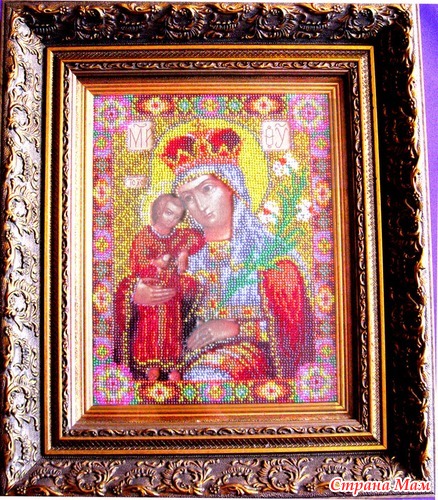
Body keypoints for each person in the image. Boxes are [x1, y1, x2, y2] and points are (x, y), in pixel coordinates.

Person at [133, 127, 314, 381]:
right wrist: (138, 295)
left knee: (205, 376)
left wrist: (235, 328)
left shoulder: (271, 257)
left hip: (247, 361)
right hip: (181, 358)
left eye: (207, 189)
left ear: (231, 186)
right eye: (188, 198)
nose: (200, 205)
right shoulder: (183, 254)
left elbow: (295, 331)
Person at [114, 193, 204, 380]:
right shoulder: (145, 235)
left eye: (177, 216)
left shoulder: (178, 236)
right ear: (158, 211)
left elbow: (197, 238)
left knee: (172, 327)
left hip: (171, 293)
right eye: (168, 213)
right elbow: (136, 263)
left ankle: (171, 364)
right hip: (151, 291)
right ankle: (150, 364)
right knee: (150, 327)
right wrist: (156, 263)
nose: (172, 219)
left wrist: (184, 252)